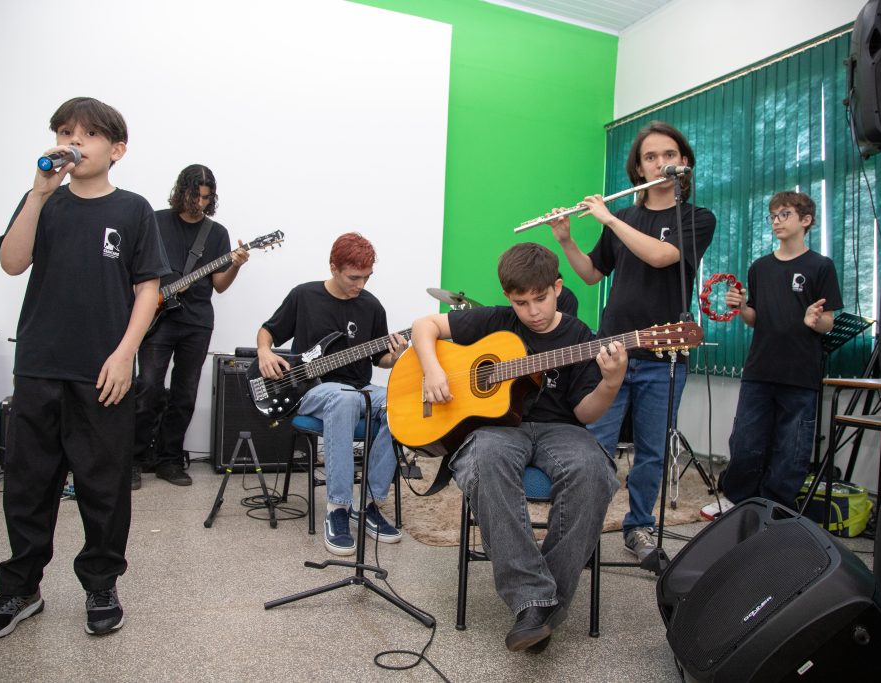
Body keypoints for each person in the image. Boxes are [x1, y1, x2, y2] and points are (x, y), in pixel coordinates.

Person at [0, 97, 168, 640]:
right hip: (40, 363)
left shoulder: (133, 210)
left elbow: (148, 289)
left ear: (117, 148)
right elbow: (12, 261)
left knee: (104, 488)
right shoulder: (46, 203)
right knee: (29, 485)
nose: (73, 142)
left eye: (87, 134)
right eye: (64, 131)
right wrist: (38, 193)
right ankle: (20, 588)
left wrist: (125, 353)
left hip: (102, 370)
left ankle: (101, 583)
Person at [410, 242, 625, 653]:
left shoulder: (580, 337)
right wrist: (433, 368)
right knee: (484, 461)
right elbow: (425, 326)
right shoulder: (497, 321)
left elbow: (586, 413)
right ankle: (534, 602)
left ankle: (536, 608)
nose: (532, 311)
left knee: (593, 471)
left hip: (560, 428)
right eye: (521, 302)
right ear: (509, 297)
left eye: (540, 299)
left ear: (558, 287)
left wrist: (611, 382)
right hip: (497, 429)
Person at [548, 121, 717, 561]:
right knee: (595, 445)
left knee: (652, 452)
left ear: (684, 163)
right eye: (651, 157)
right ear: (639, 170)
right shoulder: (624, 217)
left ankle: (638, 527)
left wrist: (607, 218)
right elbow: (590, 274)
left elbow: (663, 257)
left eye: (670, 155)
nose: (662, 162)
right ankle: (582, 527)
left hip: (665, 355)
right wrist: (566, 241)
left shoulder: (697, 219)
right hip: (613, 351)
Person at [256, 232, 406, 556]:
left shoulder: (371, 306)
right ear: (333, 267)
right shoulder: (304, 296)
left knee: (401, 401)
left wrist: (395, 357)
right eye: (354, 277)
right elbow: (268, 330)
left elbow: (380, 357)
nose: (360, 285)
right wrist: (264, 352)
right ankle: (337, 508)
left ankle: (366, 503)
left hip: (358, 387)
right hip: (311, 390)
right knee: (344, 397)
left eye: (367, 278)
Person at [705, 191, 842, 518]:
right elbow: (755, 317)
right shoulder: (760, 267)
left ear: (805, 221)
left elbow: (828, 322)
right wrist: (740, 309)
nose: (777, 222)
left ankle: (775, 508)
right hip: (759, 370)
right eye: (773, 216)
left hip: (800, 374)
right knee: (745, 441)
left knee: (791, 449)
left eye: (785, 215)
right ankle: (737, 500)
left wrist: (814, 319)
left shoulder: (821, 266)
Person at [132, 165, 250, 489]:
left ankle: (169, 460)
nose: (199, 203)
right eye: (194, 195)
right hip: (157, 319)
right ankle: (133, 458)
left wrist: (236, 265)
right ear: (181, 191)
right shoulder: (155, 221)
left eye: (205, 197)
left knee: (185, 394)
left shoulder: (216, 233)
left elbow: (221, 285)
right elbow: (136, 268)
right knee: (148, 387)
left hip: (196, 322)